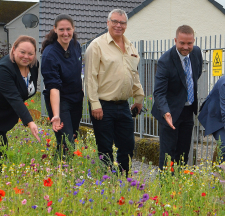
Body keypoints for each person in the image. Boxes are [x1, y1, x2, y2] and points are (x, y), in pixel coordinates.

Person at [84, 9, 144, 174]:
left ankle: (123, 178)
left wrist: (139, 98)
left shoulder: (131, 46)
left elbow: (134, 75)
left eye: (122, 22)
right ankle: (106, 181)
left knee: (127, 145)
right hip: (103, 106)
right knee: (105, 147)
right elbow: (90, 77)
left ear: (126, 25)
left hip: (123, 105)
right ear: (108, 23)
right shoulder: (96, 46)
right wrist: (94, 103)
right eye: (115, 21)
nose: (119, 25)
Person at [151, 25, 203, 169]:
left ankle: (179, 185)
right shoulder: (165, 61)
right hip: (169, 112)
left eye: (189, 43)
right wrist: (166, 112)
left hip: (187, 110)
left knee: (183, 153)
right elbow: (159, 92)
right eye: (182, 43)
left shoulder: (197, 53)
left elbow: (195, 75)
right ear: (175, 40)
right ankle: (166, 187)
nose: (186, 47)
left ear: (193, 41)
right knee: (168, 154)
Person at [41, 14, 84, 154]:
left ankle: (64, 170)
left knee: (72, 137)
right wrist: (56, 115)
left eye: (68, 29)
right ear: (55, 29)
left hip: (76, 98)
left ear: (73, 28)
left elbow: (77, 73)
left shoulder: (75, 45)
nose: (65, 33)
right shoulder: (50, 54)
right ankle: (62, 171)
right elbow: (53, 86)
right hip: (60, 100)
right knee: (66, 141)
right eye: (61, 30)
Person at [0, 35, 40, 156]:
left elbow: (26, 90)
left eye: (30, 53)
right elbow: (15, 98)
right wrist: (30, 122)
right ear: (14, 50)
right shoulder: (4, 69)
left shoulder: (33, 65)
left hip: (5, 114)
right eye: (22, 52)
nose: (26, 57)